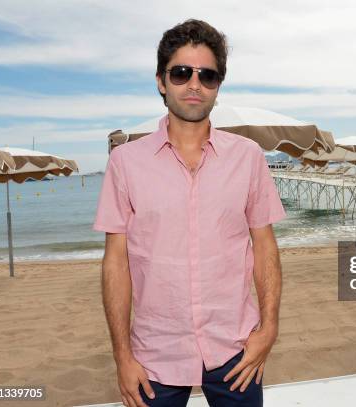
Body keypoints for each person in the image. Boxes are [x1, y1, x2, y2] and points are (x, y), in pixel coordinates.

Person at [93, 19, 286, 407]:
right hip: (153, 356)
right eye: (181, 73)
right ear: (162, 82)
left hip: (236, 348)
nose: (194, 84)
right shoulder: (126, 163)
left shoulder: (247, 157)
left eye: (207, 75)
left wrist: (269, 329)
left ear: (218, 86)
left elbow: (264, 246)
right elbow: (116, 261)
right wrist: (122, 355)